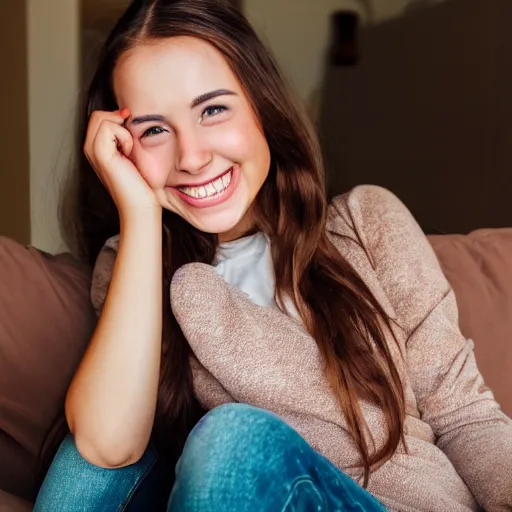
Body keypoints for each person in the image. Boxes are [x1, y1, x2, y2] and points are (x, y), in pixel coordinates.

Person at [34, 0, 512, 510]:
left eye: (213, 109)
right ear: (123, 148)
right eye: (153, 129)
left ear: (260, 104)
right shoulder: (135, 265)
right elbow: (108, 446)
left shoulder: (367, 221)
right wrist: (140, 213)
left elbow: (466, 415)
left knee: (233, 440)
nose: (192, 157)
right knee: (85, 453)